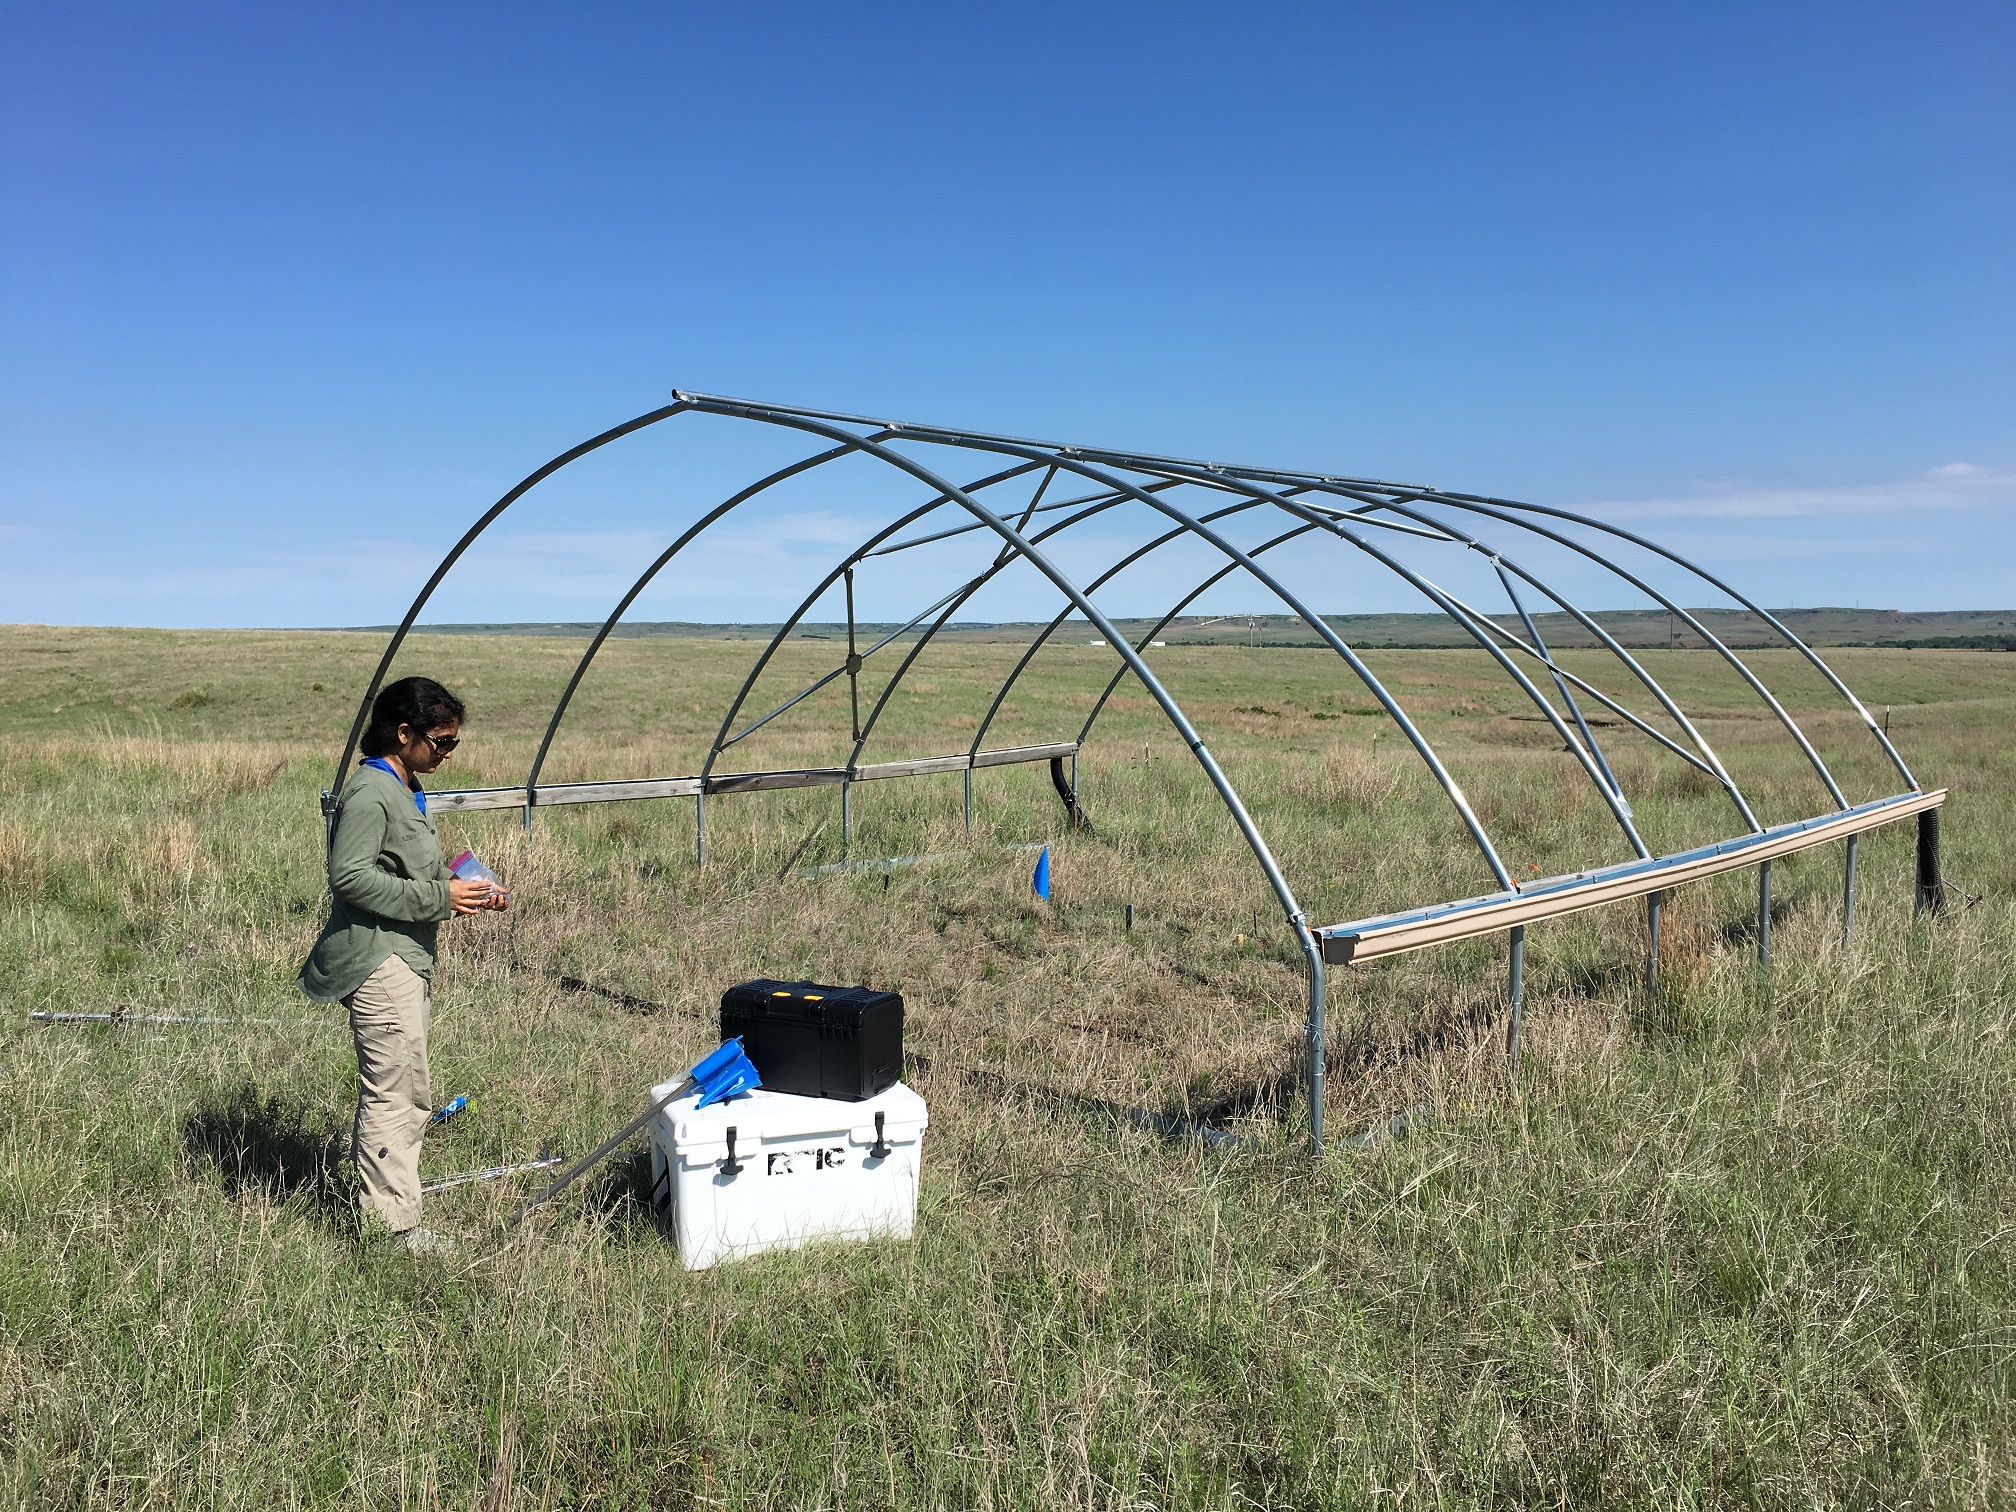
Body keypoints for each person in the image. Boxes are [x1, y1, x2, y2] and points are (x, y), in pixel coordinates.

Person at [299, 676, 506, 1252]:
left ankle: (393, 1213)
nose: (446, 753)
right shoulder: (370, 792)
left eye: (453, 745)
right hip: (378, 960)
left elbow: (409, 870)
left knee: (407, 1087)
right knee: (395, 1093)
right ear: (403, 732)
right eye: (440, 742)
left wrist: (469, 888)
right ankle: (393, 1231)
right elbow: (349, 877)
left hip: (403, 955)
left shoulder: (404, 785)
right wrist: (441, 899)